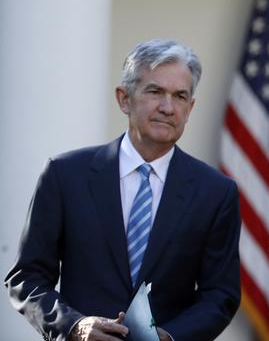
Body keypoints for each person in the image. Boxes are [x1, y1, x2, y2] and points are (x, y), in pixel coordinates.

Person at [5, 39, 241, 341]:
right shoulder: (64, 175)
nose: (168, 107)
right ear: (124, 98)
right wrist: (74, 326)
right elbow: (26, 278)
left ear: (190, 107)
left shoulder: (215, 193)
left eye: (180, 96)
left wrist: (170, 337)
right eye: (155, 91)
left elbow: (220, 295)